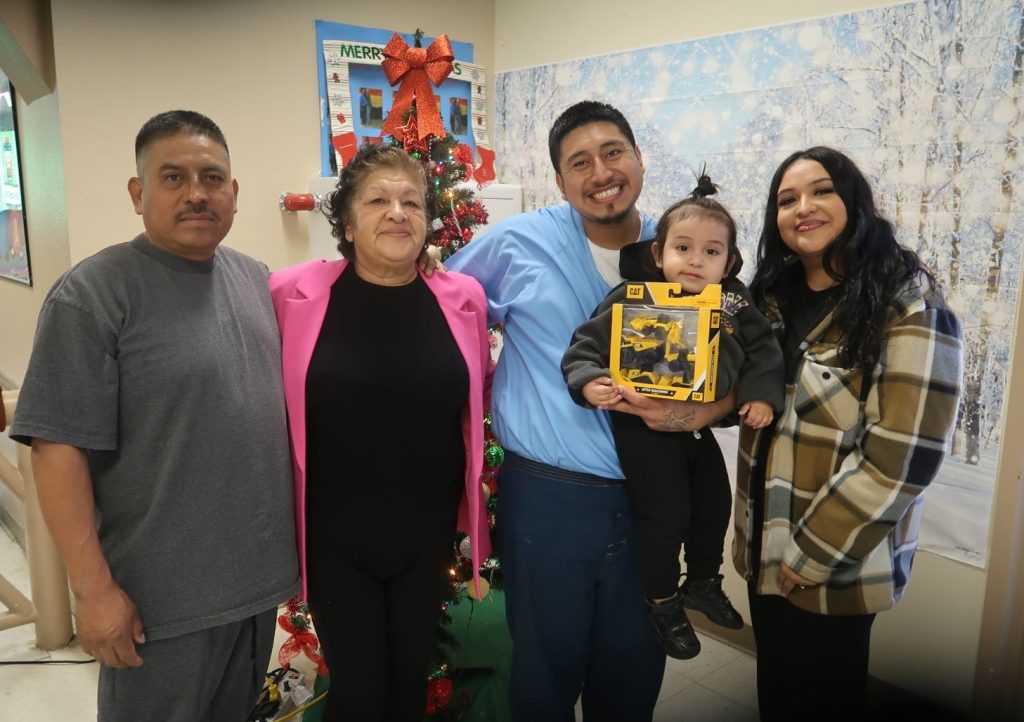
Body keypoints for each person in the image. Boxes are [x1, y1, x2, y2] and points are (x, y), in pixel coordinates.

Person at [445, 100, 734, 721]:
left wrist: (688, 418)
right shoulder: (517, 242)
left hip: (651, 501)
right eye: (579, 162)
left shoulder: (683, 249)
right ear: (560, 181)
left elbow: (737, 362)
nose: (600, 172)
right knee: (543, 679)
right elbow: (442, 310)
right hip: (550, 500)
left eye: (612, 153)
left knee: (632, 678)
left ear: (638, 159)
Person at [9, 110, 300, 721]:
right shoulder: (92, 295)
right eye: (172, 177)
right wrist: (92, 591)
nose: (196, 193)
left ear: (234, 193)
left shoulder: (255, 280)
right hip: (157, 608)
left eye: (212, 177)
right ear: (138, 193)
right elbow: (56, 451)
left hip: (253, 590)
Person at [736, 146, 963, 721]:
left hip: (835, 561)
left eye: (821, 191)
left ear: (853, 201)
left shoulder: (907, 305)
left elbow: (903, 455)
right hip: (765, 545)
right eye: (787, 200)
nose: (803, 208)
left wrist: (811, 555)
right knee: (778, 696)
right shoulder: (769, 297)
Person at [268, 143, 492, 722]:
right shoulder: (291, 295)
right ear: (346, 220)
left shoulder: (462, 299)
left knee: (406, 688)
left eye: (412, 202)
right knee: (359, 692)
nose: (398, 212)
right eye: (378, 200)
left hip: (426, 535)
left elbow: (480, 396)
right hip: (335, 536)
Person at [561, 176, 784, 660]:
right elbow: (585, 345)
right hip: (641, 428)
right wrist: (588, 380)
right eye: (683, 248)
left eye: (711, 252)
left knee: (715, 502)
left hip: (698, 424)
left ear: (729, 262)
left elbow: (765, 352)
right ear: (659, 254)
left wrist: (762, 395)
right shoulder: (632, 296)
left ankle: (703, 581)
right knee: (664, 515)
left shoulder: (733, 303)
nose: (696, 261)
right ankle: (661, 600)